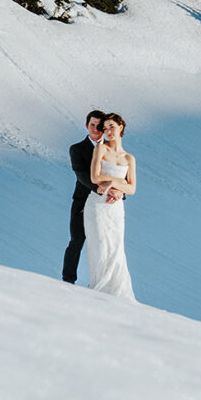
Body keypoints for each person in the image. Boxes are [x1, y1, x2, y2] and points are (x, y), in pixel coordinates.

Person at [62, 110, 122, 284]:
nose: (95, 129)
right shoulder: (77, 149)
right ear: (86, 126)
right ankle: (67, 281)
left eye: (99, 126)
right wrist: (102, 189)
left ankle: (101, 283)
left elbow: (120, 174)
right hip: (83, 202)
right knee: (77, 239)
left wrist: (120, 192)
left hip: (107, 205)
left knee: (106, 244)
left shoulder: (113, 149)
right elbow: (81, 175)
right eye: (92, 125)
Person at [84, 112, 136, 300]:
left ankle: (116, 295)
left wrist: (112, 184)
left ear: (121, 127)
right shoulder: (101, 149)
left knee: (115, 248)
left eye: (111, 127)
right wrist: (116, 182)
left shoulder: (129, 158)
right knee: (99, 247)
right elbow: (95, 177)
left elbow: (131, 188)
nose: (108, 132)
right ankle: (97, 291)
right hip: (97, 205)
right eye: (105, 129)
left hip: (115, 208)